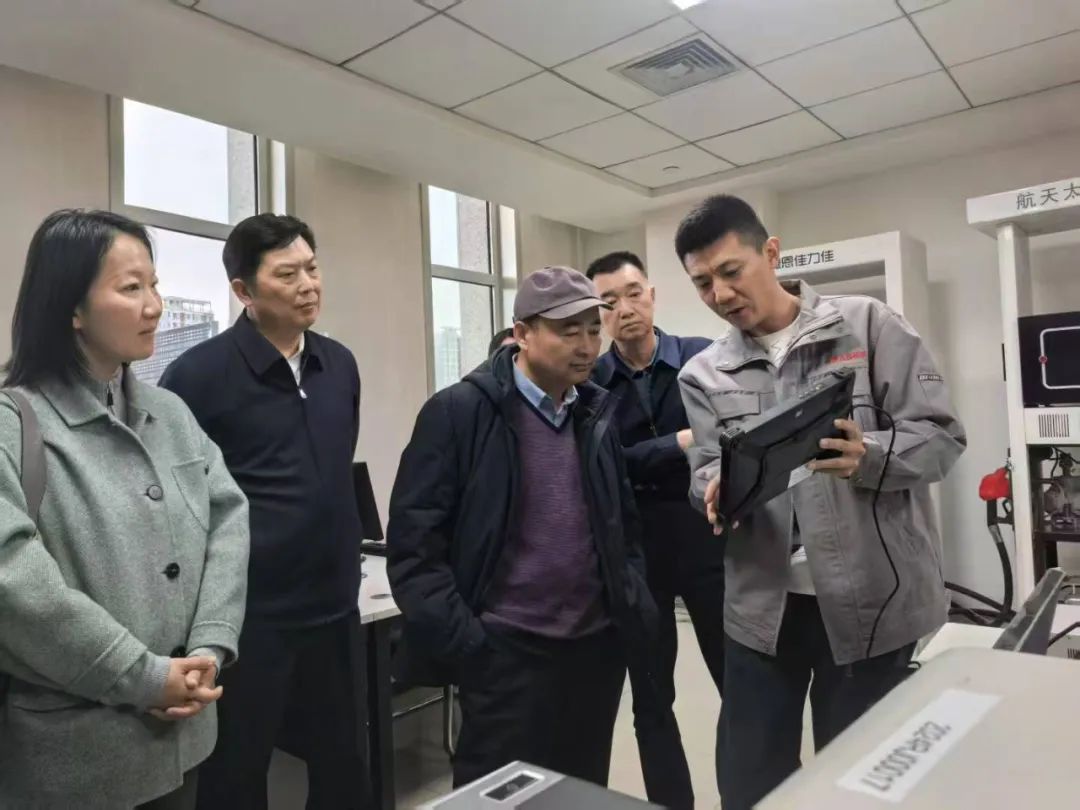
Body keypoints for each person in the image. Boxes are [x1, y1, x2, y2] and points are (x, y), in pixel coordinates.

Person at [675, 195, 966, 810]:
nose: (720, 294)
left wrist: (871, 455)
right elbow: (704, 467)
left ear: (771, 253)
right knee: (750, 783)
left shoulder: (869, 327)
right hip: (762, 611)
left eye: (731, 271)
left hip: (870, 603)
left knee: (862, 784)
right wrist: (713, 490)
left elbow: (942, 437)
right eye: (702, 283)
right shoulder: (704, 373)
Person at [0, 209, 250, 809]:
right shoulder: (14, 424)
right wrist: (142, 676)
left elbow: (227, 519)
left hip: (184, 737)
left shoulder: (171, 413)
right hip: (77, 760)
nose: (154, 305)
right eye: (131, 287)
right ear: (73, 308)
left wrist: (209, 647)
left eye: (154, 285)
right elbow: (15, 582)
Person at [388, 266, 658, 789]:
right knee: (502, 796)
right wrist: (471, 645)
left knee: (579, 794)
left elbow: (622, 526)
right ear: (522, 333)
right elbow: (414, 549)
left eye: (592, 330)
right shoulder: (459, 413)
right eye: (568, 331)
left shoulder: (594, 413)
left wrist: (628, 604)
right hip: (505, 656)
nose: (586, 346)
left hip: (593, 653)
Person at [160, 214, 370, 809]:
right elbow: (177, 501)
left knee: (344, 764)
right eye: (287, 274)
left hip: (334, 608)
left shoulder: (339, 364)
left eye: (312, 268)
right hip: (250, 619)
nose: (308, 285)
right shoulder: (197, 376)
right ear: (243, 291)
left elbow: (336, 468)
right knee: (236, 772)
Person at [588, 251, 724, 810]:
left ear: (652, 294)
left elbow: (727, 435)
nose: (624, 309)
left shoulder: (702, 358)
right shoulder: (593, 381)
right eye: (608, 302)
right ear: (598, 314)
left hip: (707, 541)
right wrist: (679, 443)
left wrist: (642, 456)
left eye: (632, 293)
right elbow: (602, 465)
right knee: (650, 700)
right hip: (636, 553)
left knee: (741, 686)